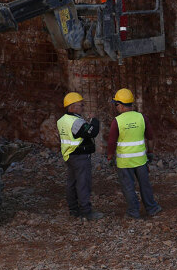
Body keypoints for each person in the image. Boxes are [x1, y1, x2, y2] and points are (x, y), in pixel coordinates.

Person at [106, 88, 161, 219]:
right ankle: (152, 208)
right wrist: (151, 152)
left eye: (116, 104)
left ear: (121, 104)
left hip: (124, 163)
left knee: (128, 187)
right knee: (145, 185)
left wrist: (110, 157)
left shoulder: (117, 121)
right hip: (141, 160)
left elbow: (111, 142)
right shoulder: (142, 118)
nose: (116, 107)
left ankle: (133, 212)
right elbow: (150, 137)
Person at [57, 92, 104, 220]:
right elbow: (92, 132)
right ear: (72, 106)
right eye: (81, 105)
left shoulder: (62, 120)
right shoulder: (75, 121)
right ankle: (86, 212)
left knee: (71, 183)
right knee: (83, 183)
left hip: (69, 156)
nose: (83, 107)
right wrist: (94, 119)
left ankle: (73, 210)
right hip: (80, 157)